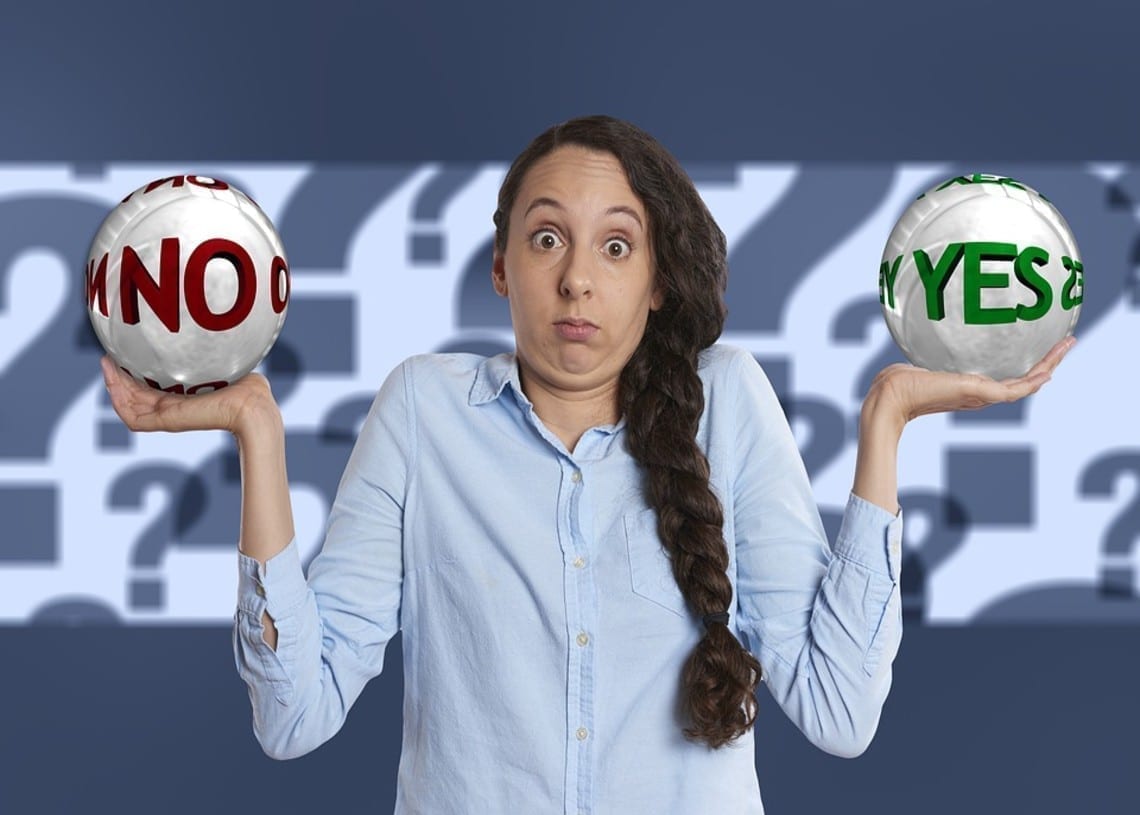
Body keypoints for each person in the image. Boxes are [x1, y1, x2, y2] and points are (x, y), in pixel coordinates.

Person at [101, 115, 1073, 814]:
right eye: (546, 237)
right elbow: (293, 713)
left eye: (616, 244)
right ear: (500, 266)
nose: (576, 277)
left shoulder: (727, 397)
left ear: (655, 281)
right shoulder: (422, 410)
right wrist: (256, 434)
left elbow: (837, 709)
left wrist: (886, 420)